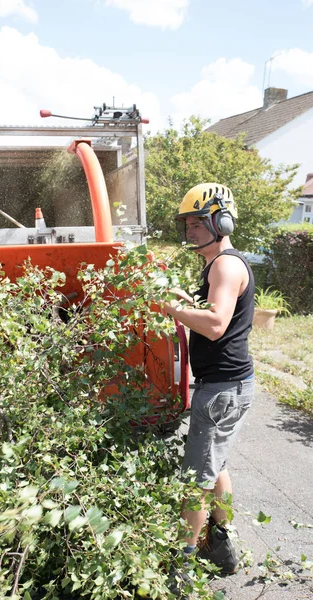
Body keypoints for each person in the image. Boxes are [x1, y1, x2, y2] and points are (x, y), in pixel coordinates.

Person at [163, 183, 255, 594]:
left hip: (221, 390)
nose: (192, 231)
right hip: (229, 385)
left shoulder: (225, 266)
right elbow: (218, 313)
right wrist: (188, 301)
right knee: (215, 466)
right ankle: (224, 541)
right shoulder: (219, 265)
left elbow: (216, 326)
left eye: (199, 222)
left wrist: (173, 309)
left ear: (222, 220)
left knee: (196, 480)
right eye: (188, 223)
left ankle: (182, 566)